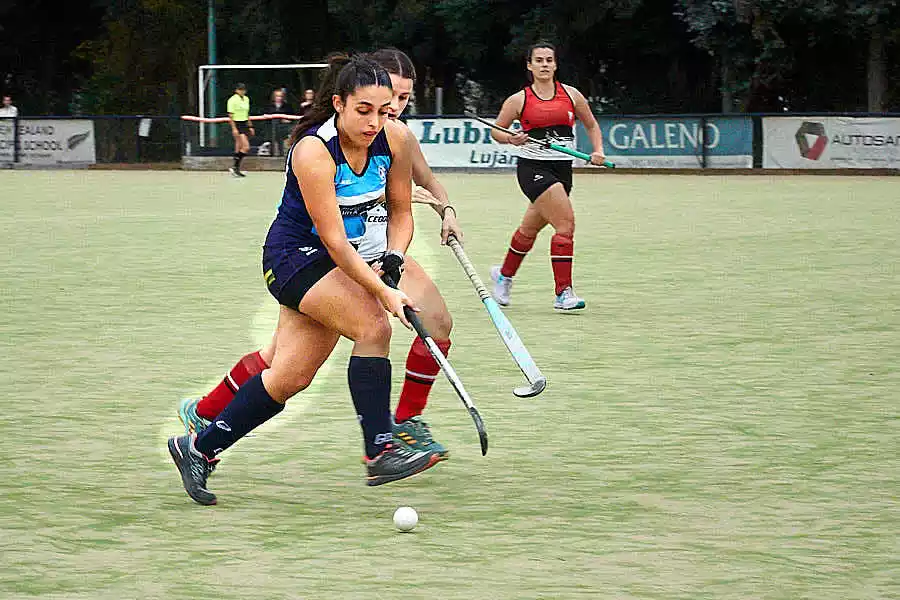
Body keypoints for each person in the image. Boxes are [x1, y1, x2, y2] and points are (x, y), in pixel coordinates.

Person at [169, 54, 445, 506]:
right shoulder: (314, 152)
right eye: (363, 110)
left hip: (336, 262)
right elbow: (334, 241)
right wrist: (383, 291)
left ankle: (198, 449)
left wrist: (393, 258)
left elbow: (400, 210)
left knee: (291, 376)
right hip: (294, 258)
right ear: (338, 103)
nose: (375, 120)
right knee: (373, 326)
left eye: (383, 109)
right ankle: (380, 450)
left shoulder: (394, 138)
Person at [489, 42, 606, 311]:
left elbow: (590, 124)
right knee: (565, 225)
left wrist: (598, 150)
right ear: (529, 65)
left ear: (555, 64)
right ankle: (563, 293)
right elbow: (497, 131)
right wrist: (512, 139)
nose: (544, 64)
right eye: (538, 60)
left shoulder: (572, 95)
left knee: (529, 230)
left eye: (549, 60)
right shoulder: (519, 99)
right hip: (533, 169)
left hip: (562, 170)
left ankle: (504, 276)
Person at [226, 83, 254, 177]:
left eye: (243, 90)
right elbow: (230, 115)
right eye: (240, 89)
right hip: (237, 123)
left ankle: (235, 168)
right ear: (236, 90)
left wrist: (250, 126)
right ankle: (235, 167)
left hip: (244, 123)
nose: (242, 91)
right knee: (246, 147)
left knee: (239, 147)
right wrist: (234, 129)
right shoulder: (232, 100)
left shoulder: (246, 99)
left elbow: (247, 113)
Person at [264, 88, 295, 155]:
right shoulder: (269, 106)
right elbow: (266, 117)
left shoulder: (287, 106)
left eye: (280, 96)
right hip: (272, 130)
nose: (279, 98)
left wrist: (286, 120)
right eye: (277, 96)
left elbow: (292, 117)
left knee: (283, 147)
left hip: (284, 130)